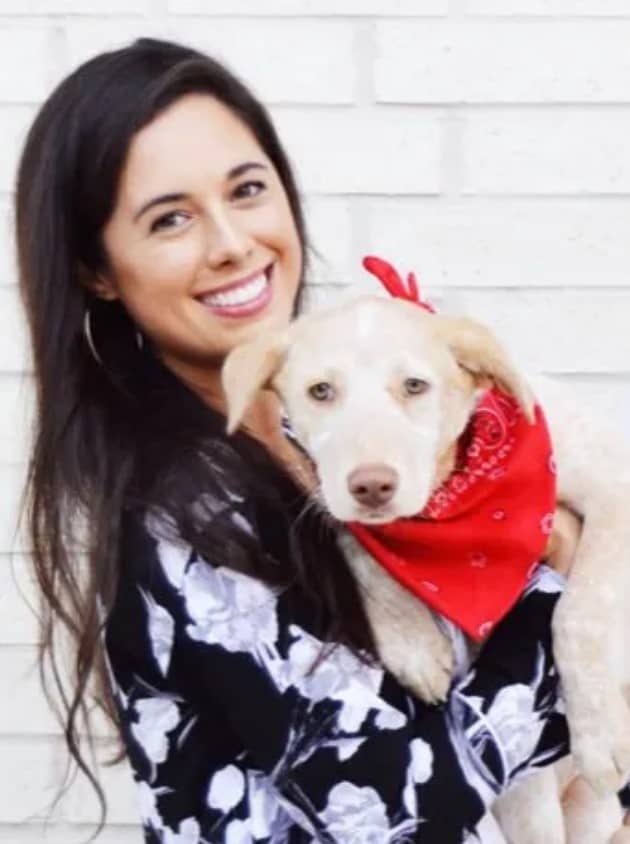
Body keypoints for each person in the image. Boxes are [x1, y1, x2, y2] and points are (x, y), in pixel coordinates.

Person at [14, 36, 616, 843]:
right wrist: (561, 578)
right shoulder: (180, 514)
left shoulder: (335, 422)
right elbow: (395, 801)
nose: (231, 242)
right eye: (171, 219)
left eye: (248, 189)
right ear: (97, 270)